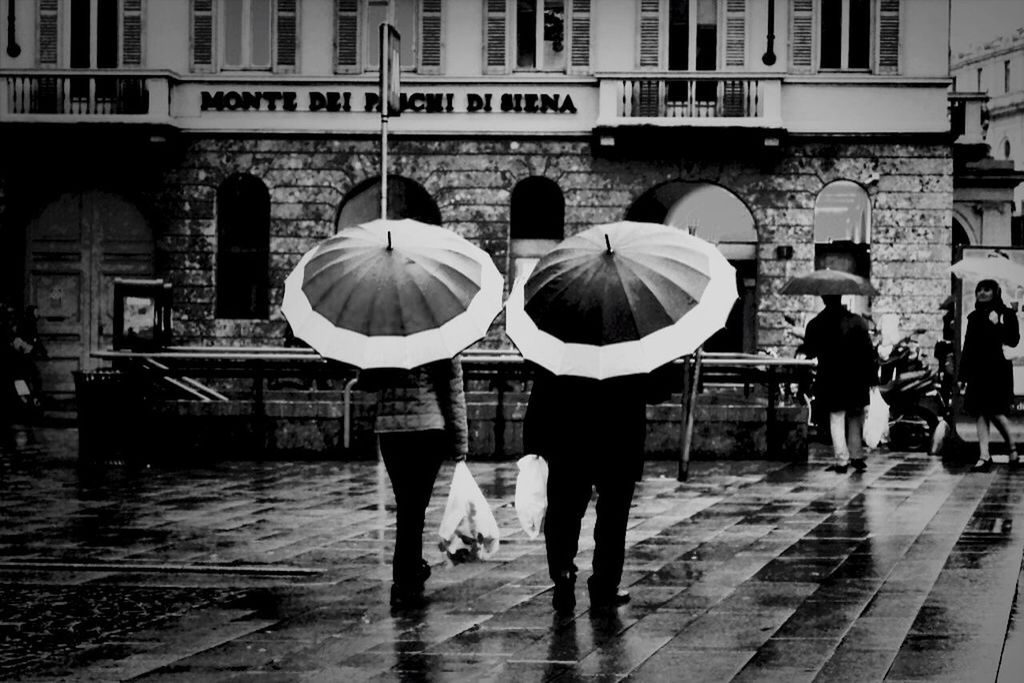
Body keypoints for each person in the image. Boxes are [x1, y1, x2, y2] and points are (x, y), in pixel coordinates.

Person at [523, 364, 672, 613]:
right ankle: (604, 584)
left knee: (564, 513)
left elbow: (543, 387)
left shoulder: (565, 335)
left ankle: (563, 573)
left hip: (570, 438)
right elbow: (656, 391)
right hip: (619, 438)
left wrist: (533, 442)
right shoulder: (630, 342)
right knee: (613, 518)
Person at [359, 356, 469, 608]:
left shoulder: (380, 333)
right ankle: (407, 575)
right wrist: (460, 444)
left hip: (391, 431)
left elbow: (366, 382)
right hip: (428, 430)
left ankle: (406, 574)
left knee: (406, 504)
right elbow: (452, 392)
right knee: (415, 506)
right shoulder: (441, 336)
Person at [800, 294, 879, 474]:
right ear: (841, 298)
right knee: (854, 417)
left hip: (831, 378)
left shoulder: (816, 324)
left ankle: (842, 460)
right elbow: (868, 353)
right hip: (856, 378)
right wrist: (872, 380)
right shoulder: (857, 322)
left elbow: (809, 350)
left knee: (836, 418)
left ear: (823, 299)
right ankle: (857, 456)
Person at [958, 279, 1020, 472]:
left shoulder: (1007, 314)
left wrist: (996, 324)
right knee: (980, 412)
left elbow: (1013, 340)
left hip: (997, 371)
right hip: (978, 371)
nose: (982, 293)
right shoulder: (974, 317)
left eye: (987, 290)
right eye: (979, 290)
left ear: (996, 292)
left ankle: (1012, 448)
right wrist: (963, 375)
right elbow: (968, 347)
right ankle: (984, 455)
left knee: (996, 412)